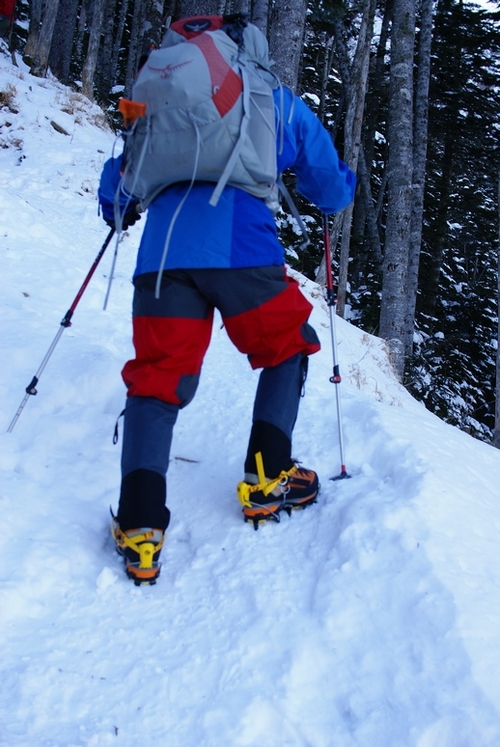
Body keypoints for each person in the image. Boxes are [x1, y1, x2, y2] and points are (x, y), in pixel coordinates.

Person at [98, 15, 356, 585]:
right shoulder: (269, 96)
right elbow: (329, 184)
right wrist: (342, 187)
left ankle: (141, 528)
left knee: (157, 377)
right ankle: (268, 479)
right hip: (240, 242)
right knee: (287, 345)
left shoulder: (165, 98)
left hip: (163, 251)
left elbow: (119, 184)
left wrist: (118, 205)